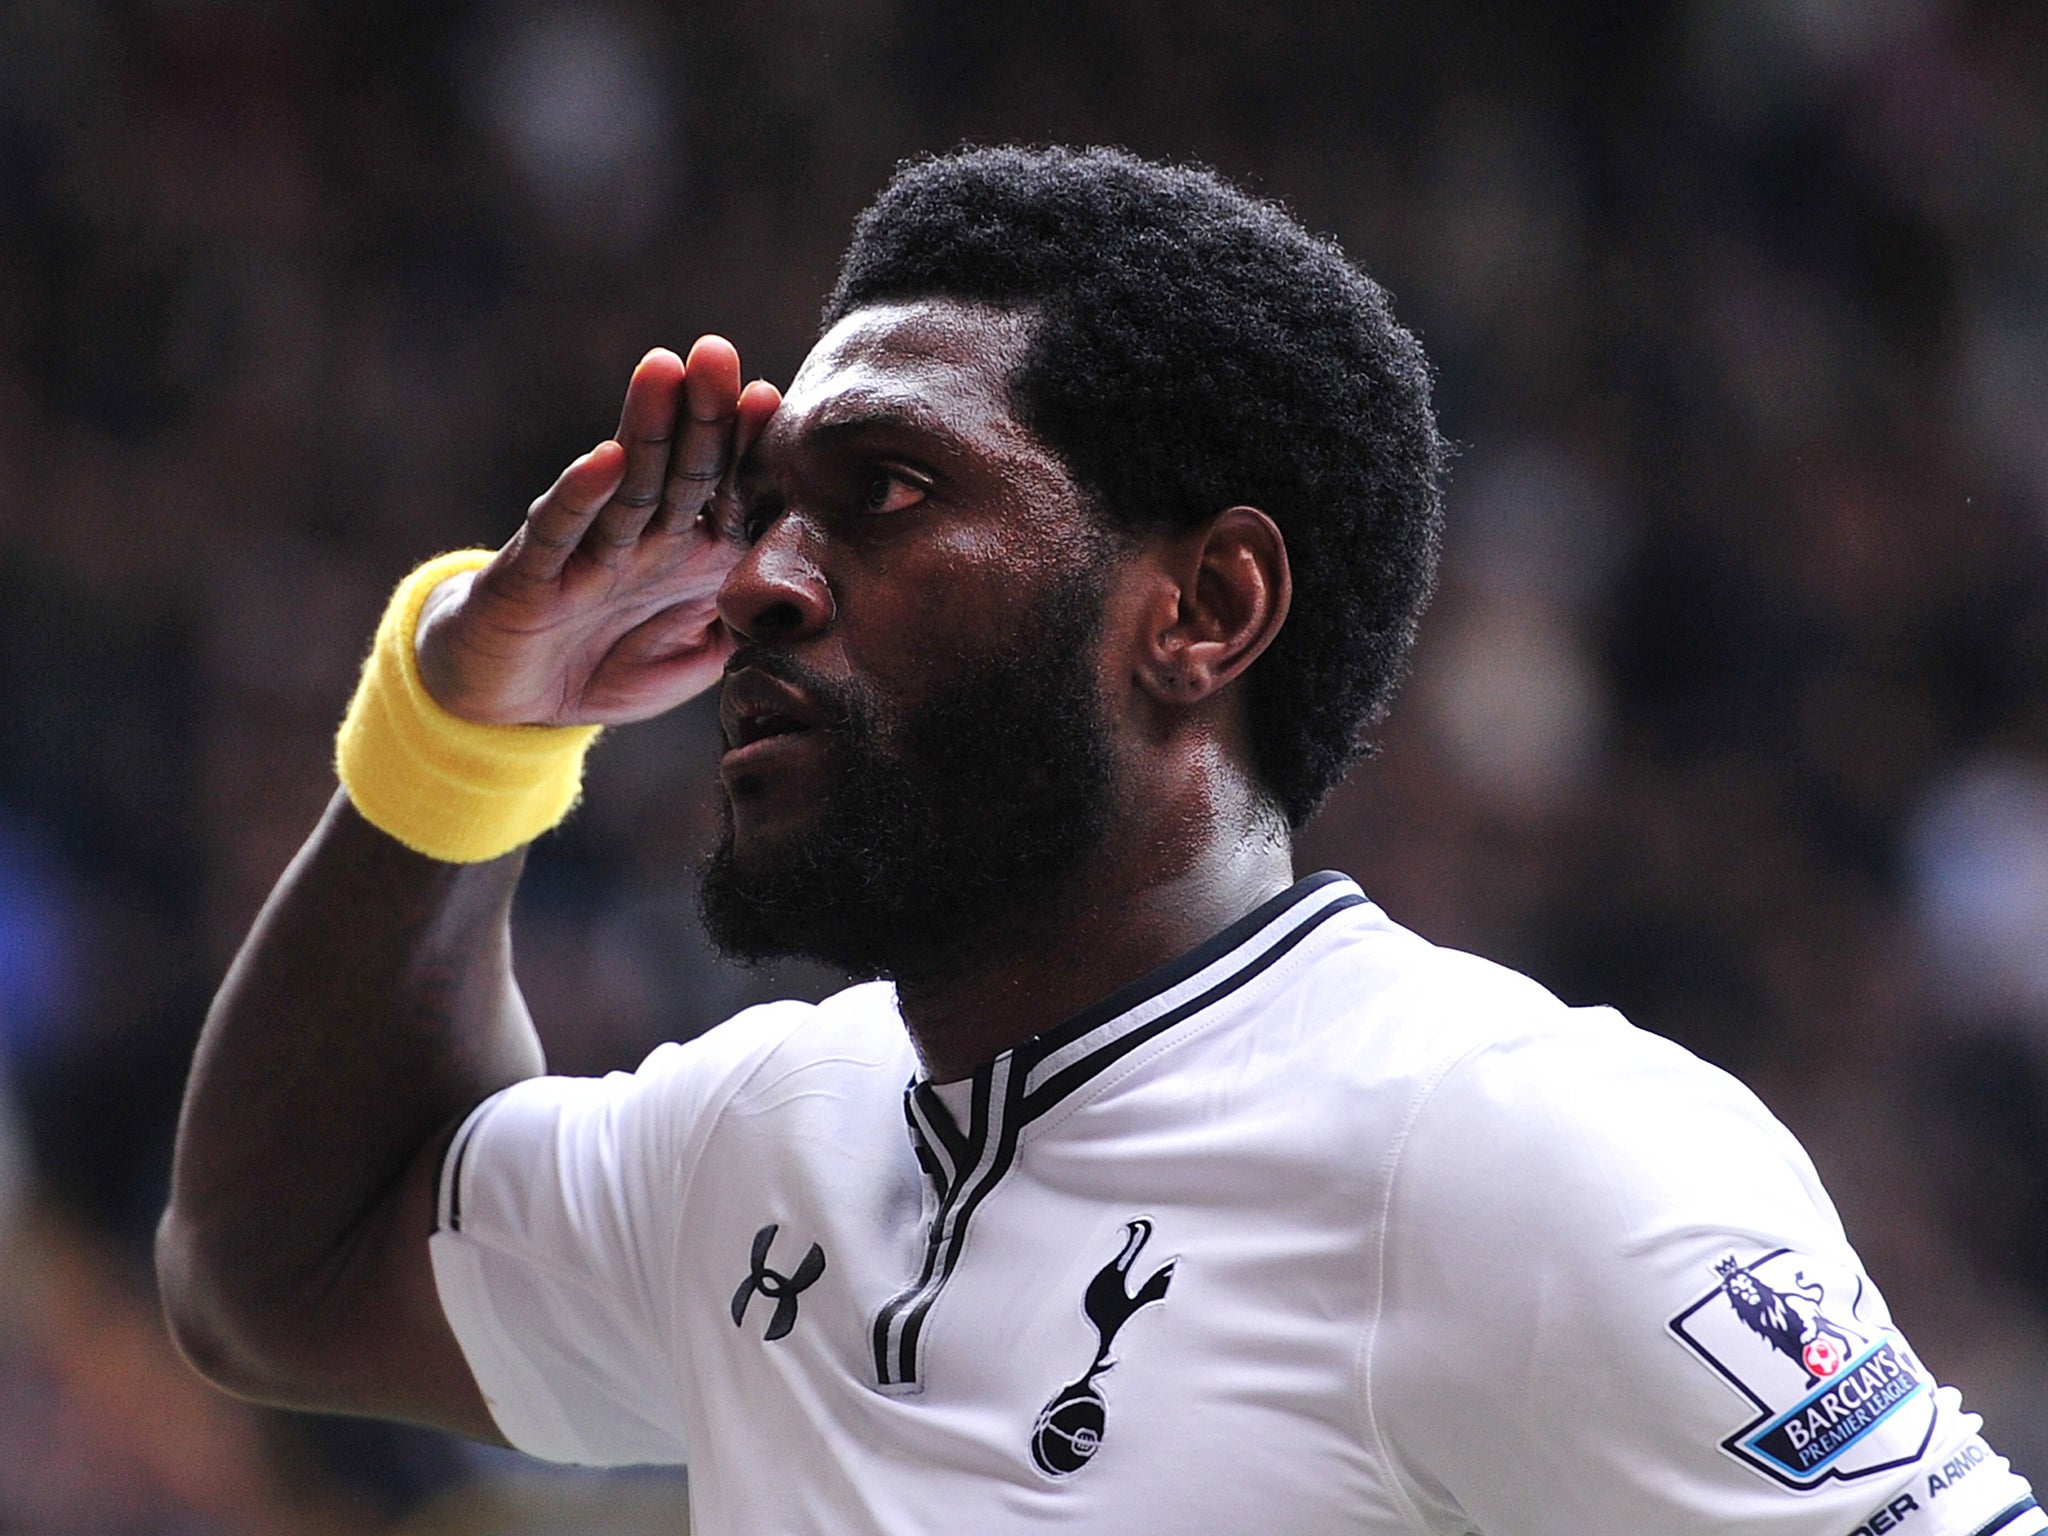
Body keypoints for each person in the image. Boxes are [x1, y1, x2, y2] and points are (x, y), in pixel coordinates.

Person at [157, 146, 2040, 1536]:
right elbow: (274, 1271)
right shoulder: (763, 1136)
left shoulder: (1510, 1155)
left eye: (886, 492)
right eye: (768, 509)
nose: (761, 588)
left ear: (1204, 609)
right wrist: (474, 728)